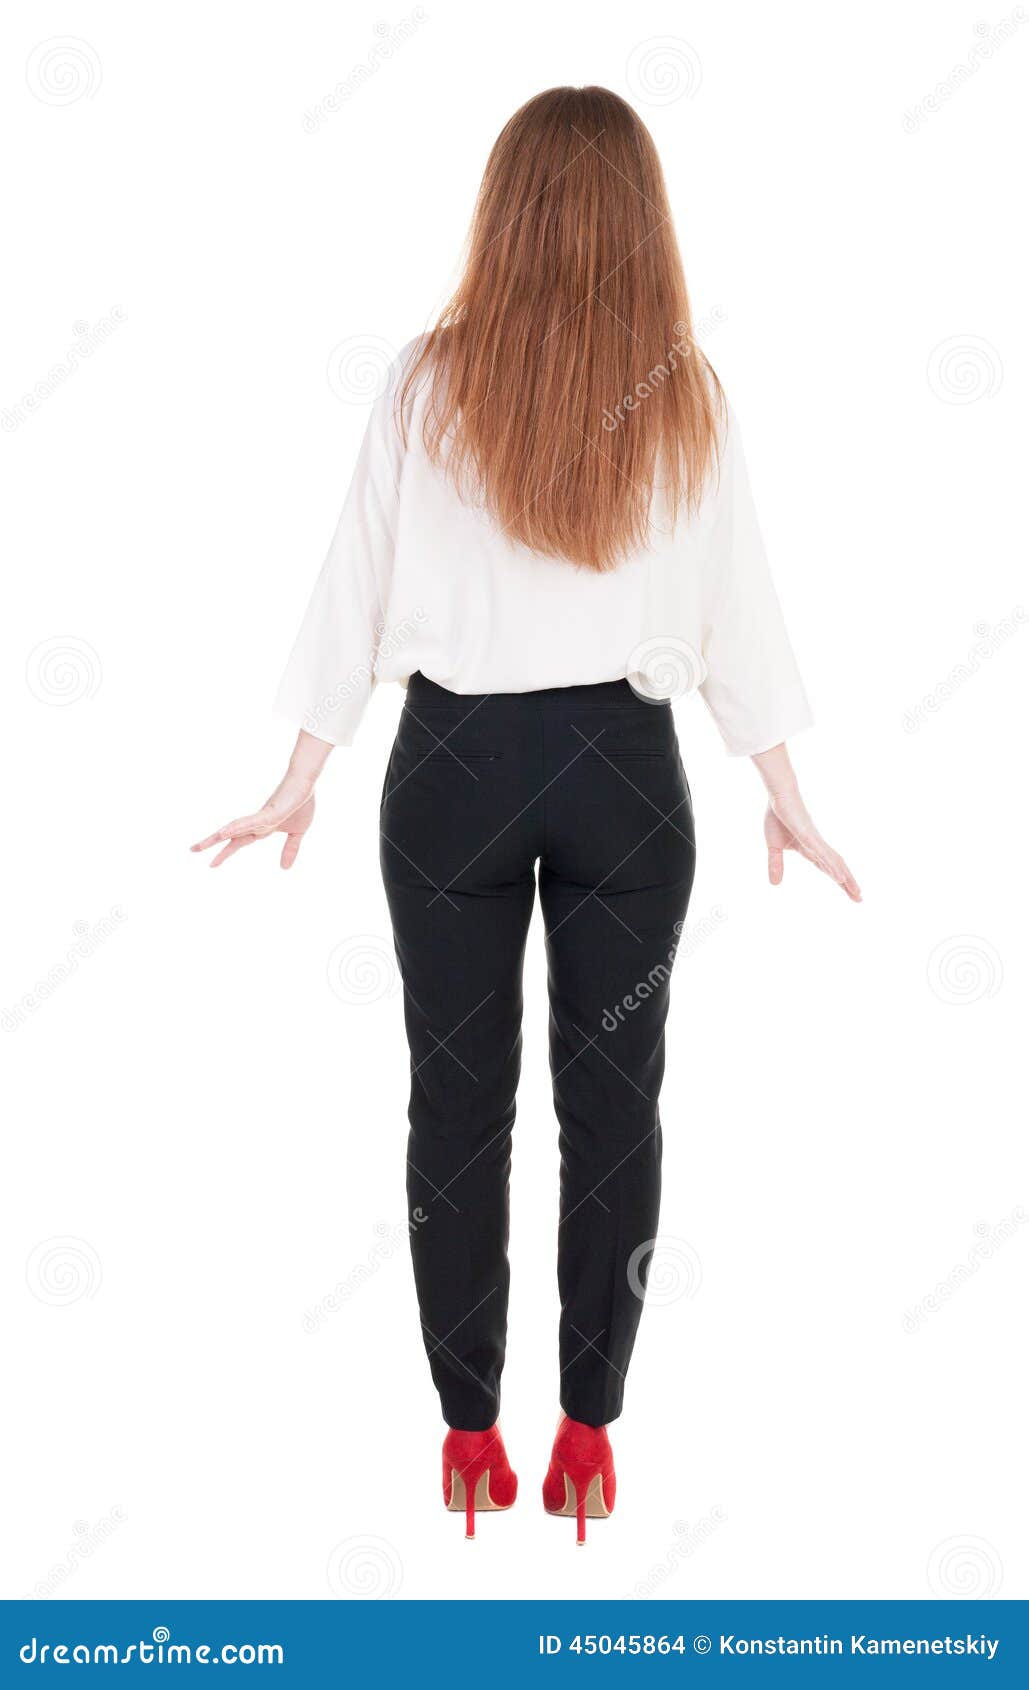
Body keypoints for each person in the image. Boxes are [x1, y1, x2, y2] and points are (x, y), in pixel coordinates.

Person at [193, 85, 860, 1546]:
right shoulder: (683, 392)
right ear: (642, 219)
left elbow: (351, 588)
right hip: (627, 779)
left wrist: (304, 773)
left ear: (501, 210)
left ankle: (467, 1434)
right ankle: (588, 1436)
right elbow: (740, 610)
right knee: (613, 1112)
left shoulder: (425, 383)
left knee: (457, 1107)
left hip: (450, 781)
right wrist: (783, 796)